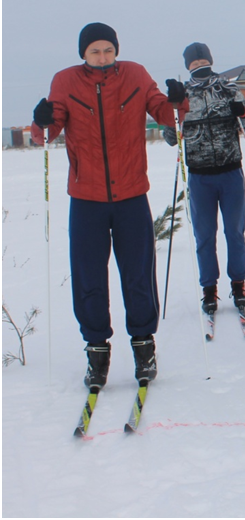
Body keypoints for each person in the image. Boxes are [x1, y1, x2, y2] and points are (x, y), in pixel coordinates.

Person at [30, 22, 181, 389]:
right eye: (94, 51)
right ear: (83, 53)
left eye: (108, 50)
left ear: (116, 50)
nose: (102, 57)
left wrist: (178, 101)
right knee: (89, 278)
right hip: (87, 199)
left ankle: (144, 348)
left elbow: (163, 112)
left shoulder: (134, 74)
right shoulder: (65, 81)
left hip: (131, 194)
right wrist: (42, 121)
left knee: (138, 274)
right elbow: (50, 132)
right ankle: (97, 353)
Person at [163, 43, 245, 317]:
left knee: (235, 233)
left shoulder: (228, 87)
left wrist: (241, 111)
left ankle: (239, 285)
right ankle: (209, 289)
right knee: (204, 236)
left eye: (202, 59)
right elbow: (171, 139)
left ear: (211, 60)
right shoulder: (183, 93)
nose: (198, 64)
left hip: (230, 172)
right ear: (187, 66)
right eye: (193, 62)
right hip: (199, 175)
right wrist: (172, 108)